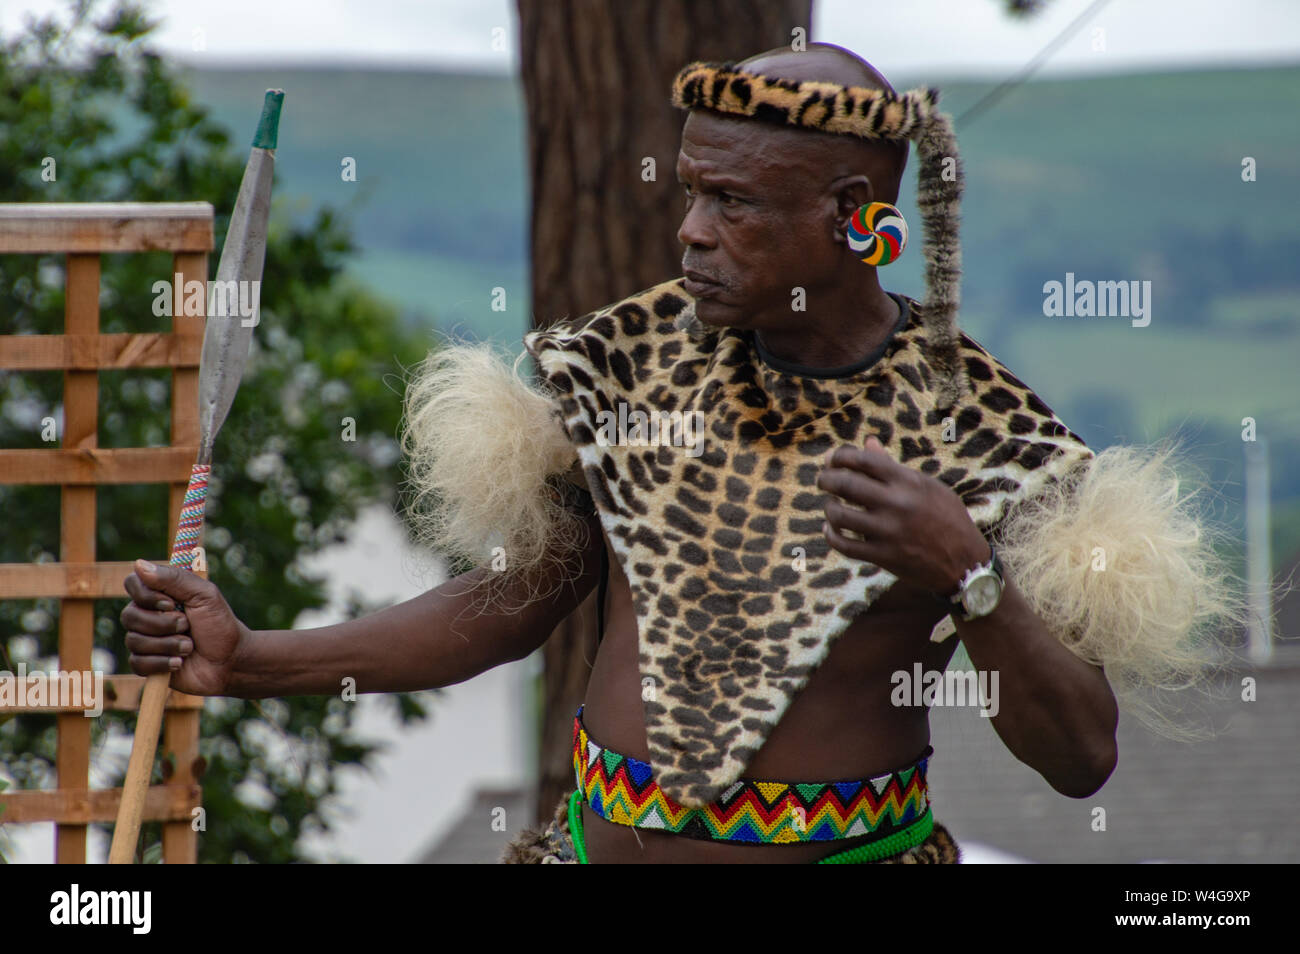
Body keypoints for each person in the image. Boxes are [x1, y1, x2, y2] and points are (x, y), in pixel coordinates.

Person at [122, 43, 1240, 864]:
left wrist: (965, 573)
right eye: (692, 189)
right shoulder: (629, 364)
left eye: (733, 201)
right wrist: (250, 659)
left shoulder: (985, 438)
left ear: (854, 218)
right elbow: (511, 607)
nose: (688, 230)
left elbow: (1080, 756)